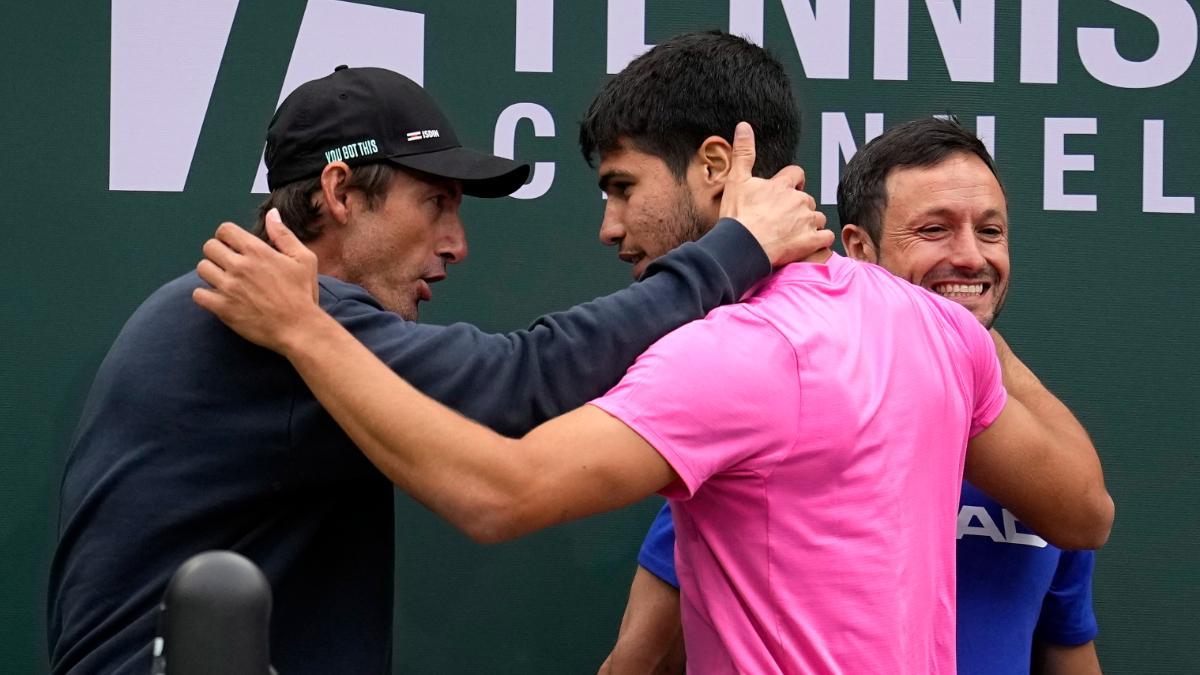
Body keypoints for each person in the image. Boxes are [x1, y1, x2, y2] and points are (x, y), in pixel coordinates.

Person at [194, 33, 1113, 672]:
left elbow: (498, 493)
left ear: (717, 168)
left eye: (623, 187)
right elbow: (1087, 506)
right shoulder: (935, 331)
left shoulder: (734, 352)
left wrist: (306, 330)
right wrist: (957, 325)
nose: (610, 225)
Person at [47, 65, 828, 675]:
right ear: (341, 191)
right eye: (436, 205)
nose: (457, 244)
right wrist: (736, 247)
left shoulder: (264, 316)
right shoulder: (262, 322)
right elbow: (522, 382)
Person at [602, 116, 1105, 675]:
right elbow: (640, 662)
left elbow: (1077, 599)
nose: (970, 256)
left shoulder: (1042, 465)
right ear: (858, 250)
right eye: (934, 230)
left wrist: (982, 353)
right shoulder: (773, 433)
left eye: (990, 232)